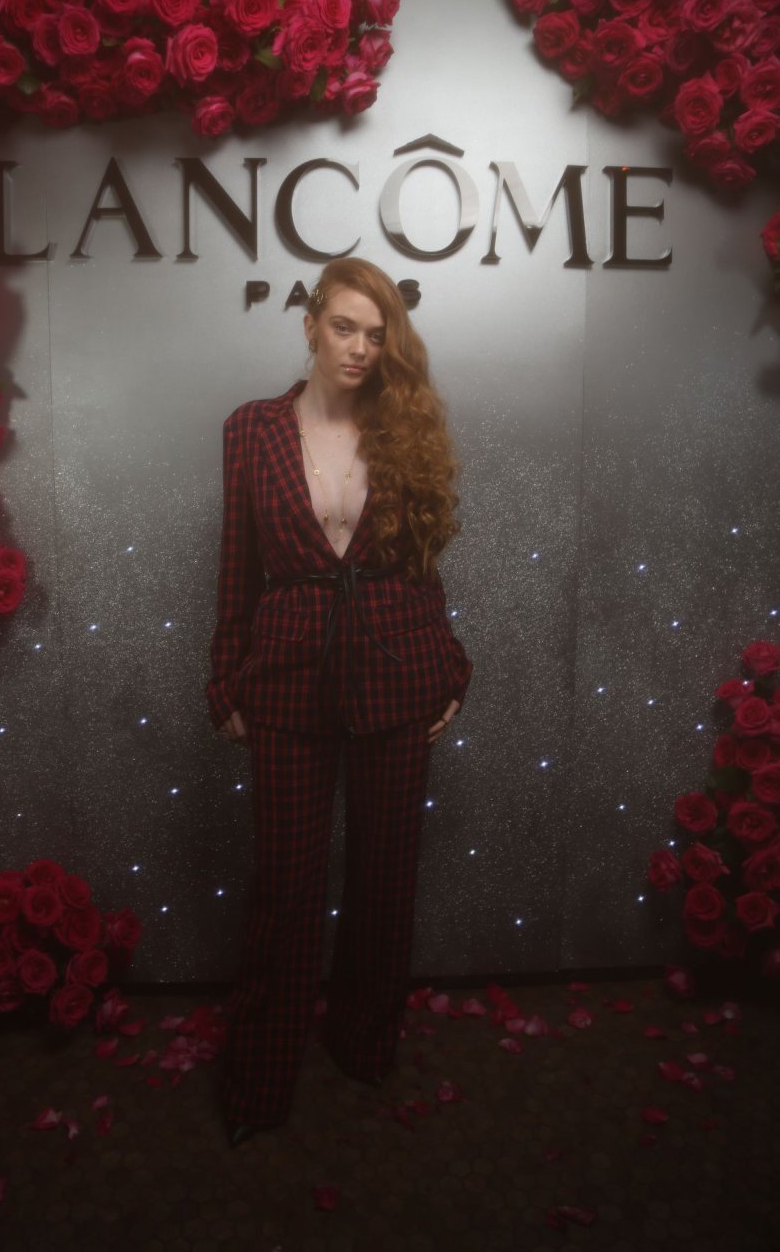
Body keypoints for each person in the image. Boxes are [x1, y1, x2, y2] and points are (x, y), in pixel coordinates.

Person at [206, 256, 472, 1148]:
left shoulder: (405, 427)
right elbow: (236, 564)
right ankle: (261, 1073)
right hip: (286, 678)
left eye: (375, 333)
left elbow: (423, 567)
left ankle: (365, 1043)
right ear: (311, 326)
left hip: (399, 671)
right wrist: (225, 676)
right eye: (344, 327)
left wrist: (449, 666)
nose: (359, 347)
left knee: (384, 881)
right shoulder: (251, 428)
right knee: (285, 887)